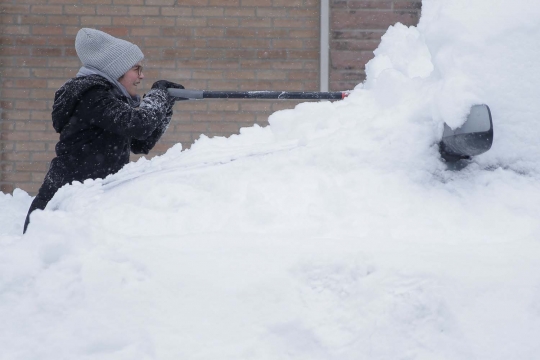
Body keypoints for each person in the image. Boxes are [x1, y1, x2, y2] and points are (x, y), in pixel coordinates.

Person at [23, 28, 184, 233]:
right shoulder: (91, 95)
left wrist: (166, 105)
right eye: (136, 69)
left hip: (86, 204)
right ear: (117, 70)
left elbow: (141, 143)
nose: (142, 76)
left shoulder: (108, 99)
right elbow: (139, 125)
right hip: (60, 209)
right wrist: (157, 98)